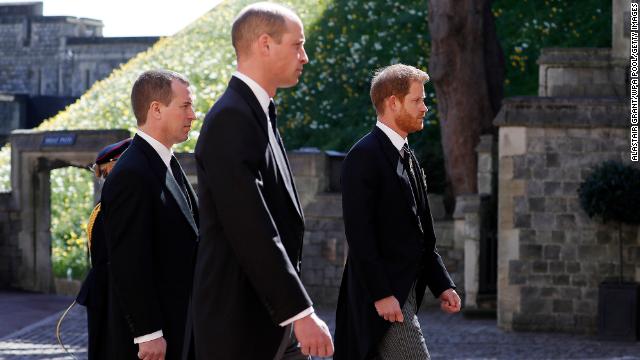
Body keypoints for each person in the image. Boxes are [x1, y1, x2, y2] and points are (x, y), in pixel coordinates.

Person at [187, 2, 333, 359]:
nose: (305, 56)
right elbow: (249, 225)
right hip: (239, 324)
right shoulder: (231, 118)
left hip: (268, 321)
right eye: (297, 45)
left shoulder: (257, 112)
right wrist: (300, 312)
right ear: (264, 44)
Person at [333, 64, 461, 360]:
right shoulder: (362, 157)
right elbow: (360, 234)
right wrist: (380, 294)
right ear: (393, 102)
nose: (425, 108)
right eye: (417, 101)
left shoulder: (410, 158)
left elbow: (422, 235)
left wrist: (442, 284)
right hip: (380, 299)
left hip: (402, 295)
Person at [101, 69, 199, 360]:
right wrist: (148, 333)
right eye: (185, 106)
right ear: (156, 109)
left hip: (181, 325)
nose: (193, 115)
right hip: (155, 341)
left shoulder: (165, 161)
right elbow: (129, 260)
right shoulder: (132, 172)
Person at [75, 138, 131, 360]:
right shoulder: (110, 199)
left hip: (112, 289)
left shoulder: (117, 197)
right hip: (104, 288)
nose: (104, 179)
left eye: (106, 173)